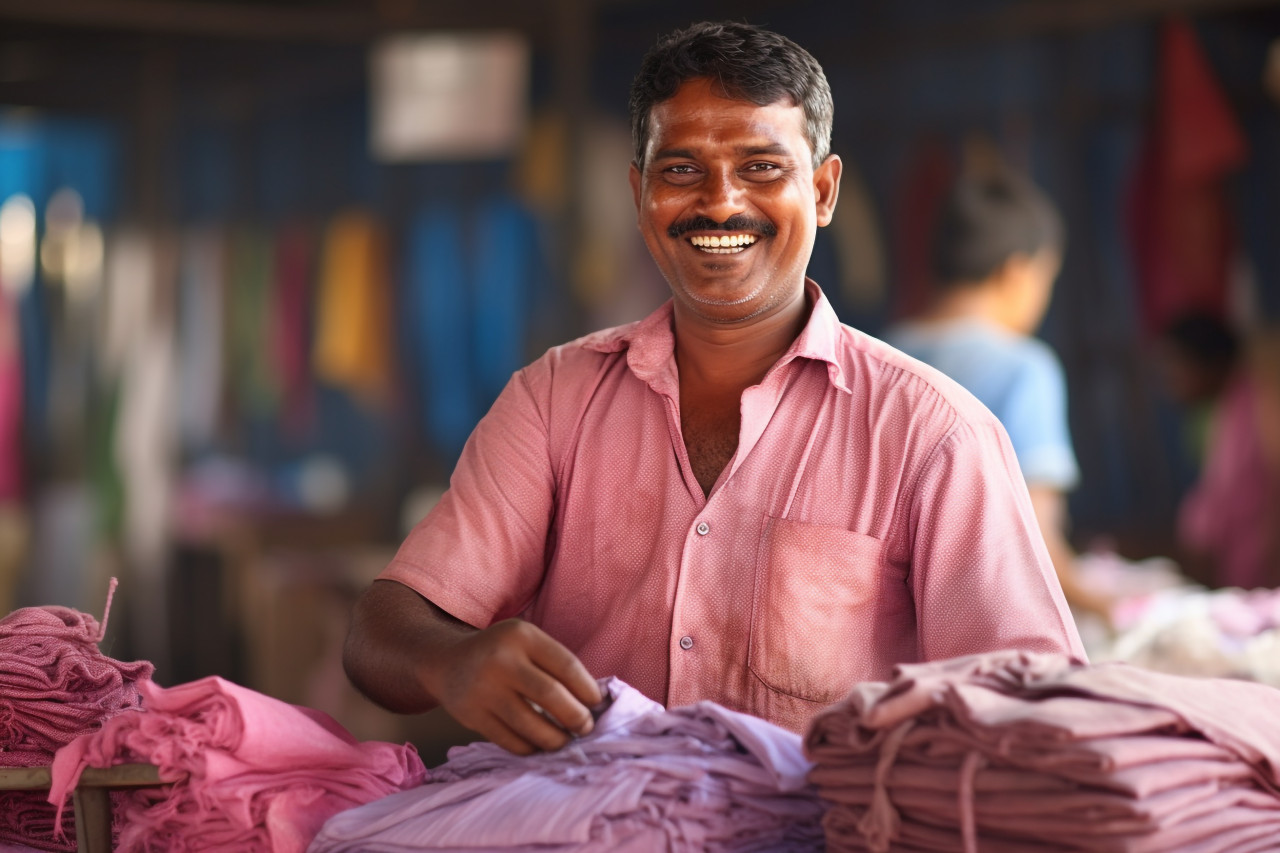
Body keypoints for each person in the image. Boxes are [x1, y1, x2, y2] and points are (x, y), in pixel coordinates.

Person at [343, 21, 1085, 756]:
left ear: (823, 190)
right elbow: (382, 627)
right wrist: (450, 659)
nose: (721, 203)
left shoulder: (937, 435)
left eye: (763, 167)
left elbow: (1032, 707)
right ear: (639, 196)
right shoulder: (551, 402)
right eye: (681, 170)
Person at [882, 166, 1114, 623]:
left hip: (888, 624)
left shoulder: (876, 355)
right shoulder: (1025, 368)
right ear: (1017, 272)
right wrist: (1118, 606)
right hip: (982, 625)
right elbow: (1039, 547)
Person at [1156, 312, 1280, 590]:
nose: (1169, 380)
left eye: (1175, 365)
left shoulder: (1258, 406)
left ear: (1212, 363)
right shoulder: (1222, 414)